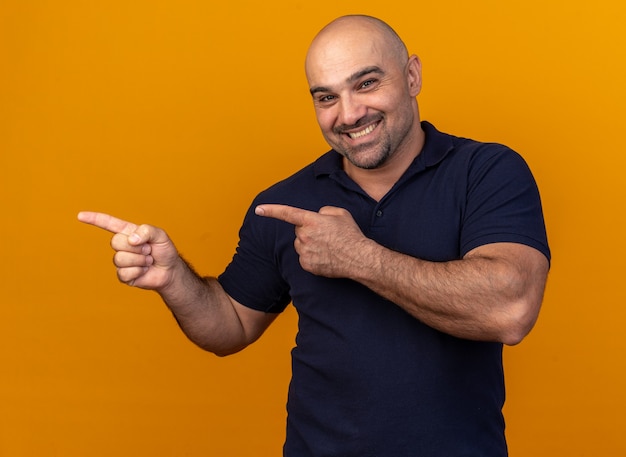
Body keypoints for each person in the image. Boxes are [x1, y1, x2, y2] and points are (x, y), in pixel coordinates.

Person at [78, 14, 550, 456]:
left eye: (366, 83)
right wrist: (174, 279)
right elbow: (232, 326)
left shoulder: (486, 172)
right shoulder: (285, 203)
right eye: (326, 97)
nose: (348, 114)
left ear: (411, 77)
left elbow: (509, 310)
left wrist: (357, 257)